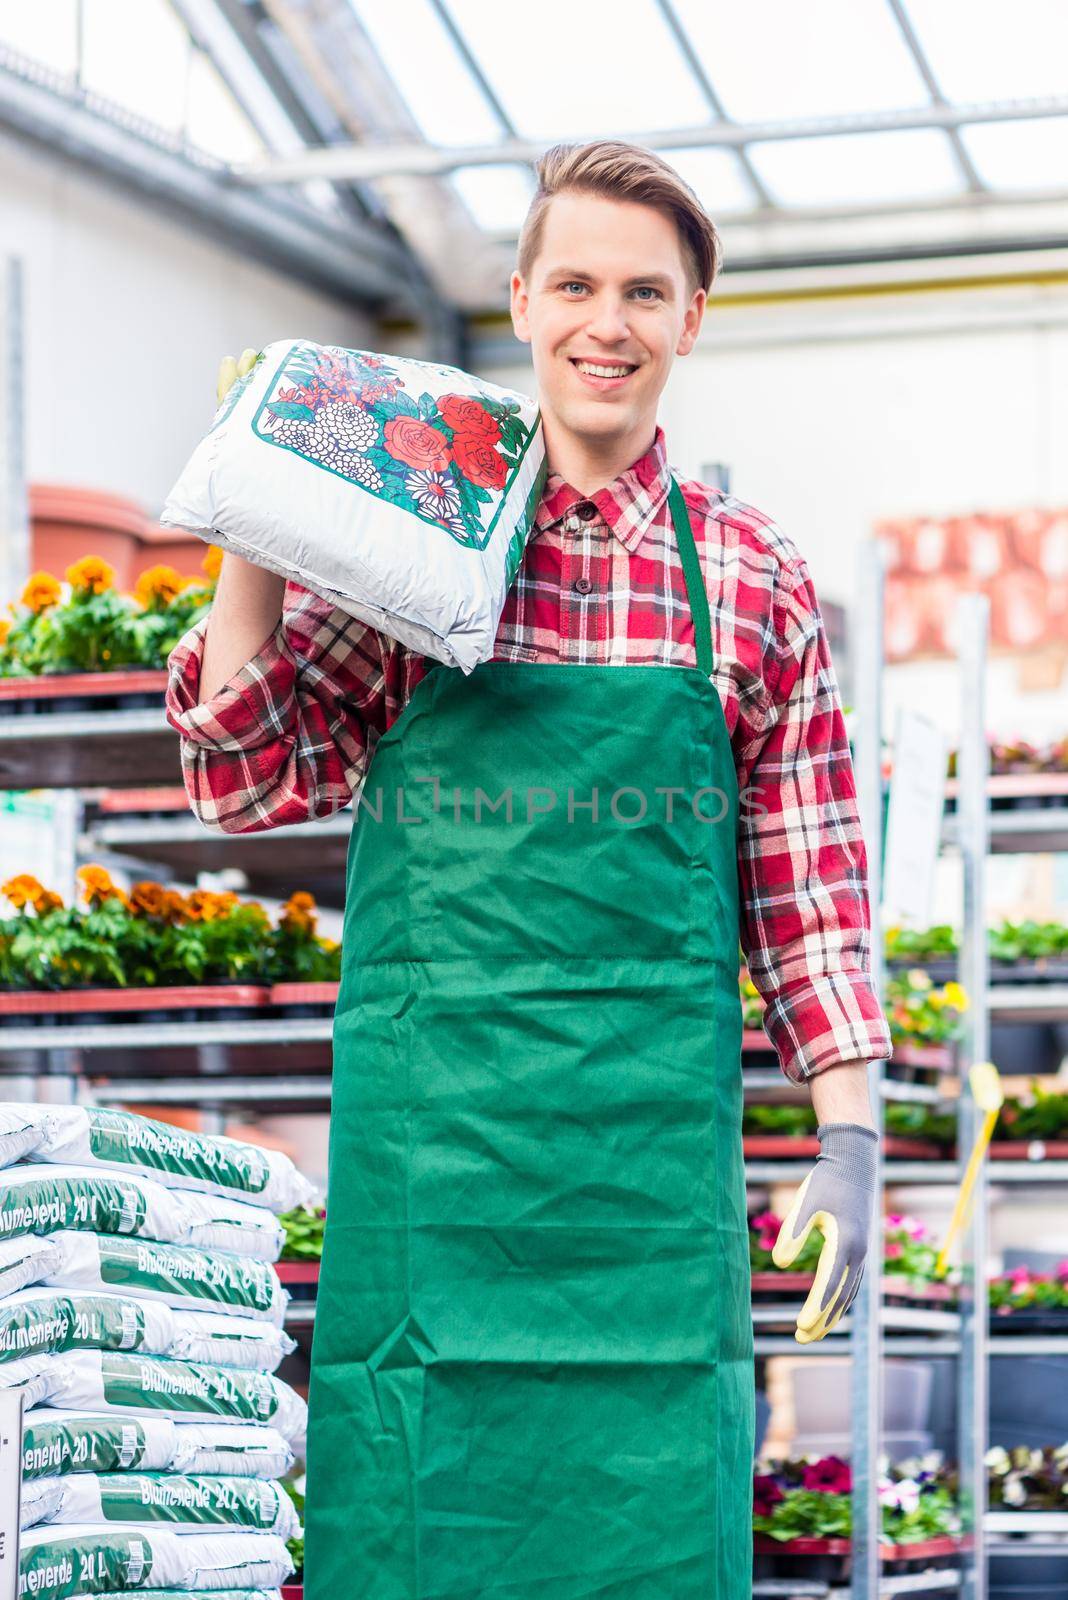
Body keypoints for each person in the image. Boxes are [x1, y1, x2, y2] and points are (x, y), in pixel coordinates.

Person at [165, 139, 890, 1599]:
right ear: (520, 298)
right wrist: (262, 492)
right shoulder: (420, 538)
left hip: (644, 1201)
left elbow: (807, 885)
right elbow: (244, 776)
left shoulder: (754, 577)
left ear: (693, 317)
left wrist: (856, 1135)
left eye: (644, 291)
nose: (603, 323)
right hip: (434, 1189)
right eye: (573, 283)